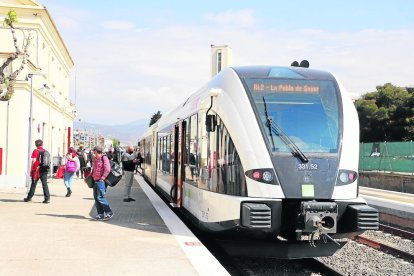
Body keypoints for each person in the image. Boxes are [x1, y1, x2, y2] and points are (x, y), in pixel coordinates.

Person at [24, 139, 50, 203]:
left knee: (33, 184)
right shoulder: (46, 151)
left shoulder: (36, 151)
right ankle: (47, 198)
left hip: (37, 170)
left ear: (35, 144)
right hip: (44, 169)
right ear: (42, 144)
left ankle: (29, 198)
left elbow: (34, 161)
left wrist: (32, 170)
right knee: (44, 184)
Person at [92, 146, 113, 220]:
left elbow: (107, 169)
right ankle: (100, 214)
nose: (93, 153)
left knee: (100, 197)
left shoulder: (104, 158)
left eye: (94, 152)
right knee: (96, 198)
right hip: (95, 180)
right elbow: (94, 169)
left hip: (101, 181)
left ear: (97, 152)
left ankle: (109, 212)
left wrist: (102, 178)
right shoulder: (95, 159)